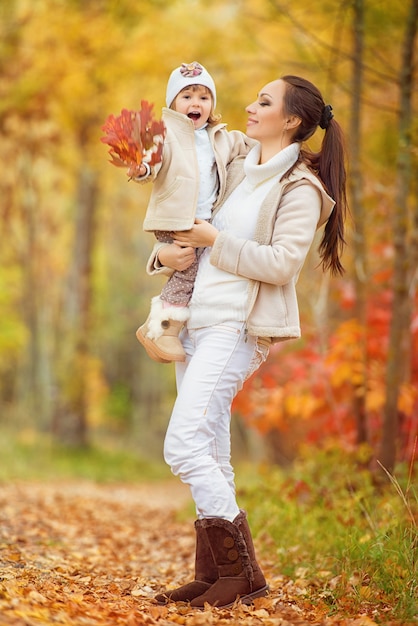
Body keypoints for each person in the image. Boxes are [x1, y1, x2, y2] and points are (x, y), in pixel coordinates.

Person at [147, 75, 348, 608]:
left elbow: (282, 264)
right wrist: (162, 255)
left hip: (237, 327)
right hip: (196, 320)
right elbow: (183, 206)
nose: (248, 107)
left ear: (292, 121)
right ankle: (215, 573)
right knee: (211, 445)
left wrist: (216, 239)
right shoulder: (237, 165)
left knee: (183, 442)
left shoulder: (300, 189)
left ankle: (246, 572)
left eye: (264, 102)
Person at [133, 62, 255, 363]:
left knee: (197, 272)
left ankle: (172, 329)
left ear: (212, 104)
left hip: (205, 220)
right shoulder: (165, 135)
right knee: (187, 272)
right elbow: (152, 161)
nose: (195, 103)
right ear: (173, 103)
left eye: (203, 96)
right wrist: (143, 168)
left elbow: (253, 147)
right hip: (176, 218)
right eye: (186, 96)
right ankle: (163, 329)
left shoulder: (222, 137)